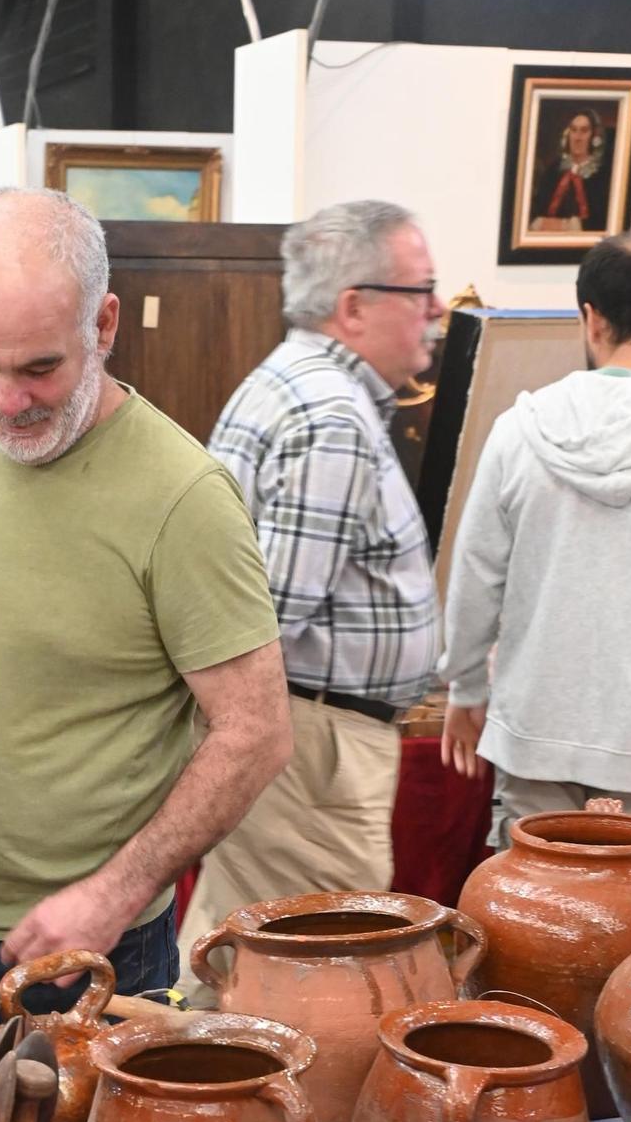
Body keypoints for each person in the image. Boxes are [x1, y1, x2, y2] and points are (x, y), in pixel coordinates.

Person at [0, 187, 286, 1015]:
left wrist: (115, 892)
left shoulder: (183, 496)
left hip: (95, 947)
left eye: (39, 368)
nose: (6, 402)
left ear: (103, 326)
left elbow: (256, 731)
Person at [178, 199, 444, 975]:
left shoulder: (291, 384)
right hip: (313, 747)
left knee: (235, 954)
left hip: (301, 739)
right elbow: (270, 614)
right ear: (352, 306)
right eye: (419, 290)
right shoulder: (329, 414)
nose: (434, 311)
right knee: (321, 970)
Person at [440, 232, 631, 841]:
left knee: (534, 912)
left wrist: (465, 686)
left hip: (536, 724)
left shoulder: (521, 429)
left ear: (589, 318)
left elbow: (475, 574)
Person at [531, 109, 610, 233]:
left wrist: (566, 226)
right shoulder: (553, 171)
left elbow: (602, 222)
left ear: (594, 136)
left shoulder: (603, 175)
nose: (577, 137)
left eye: (584, 131)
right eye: (574, 130)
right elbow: (535, 213)